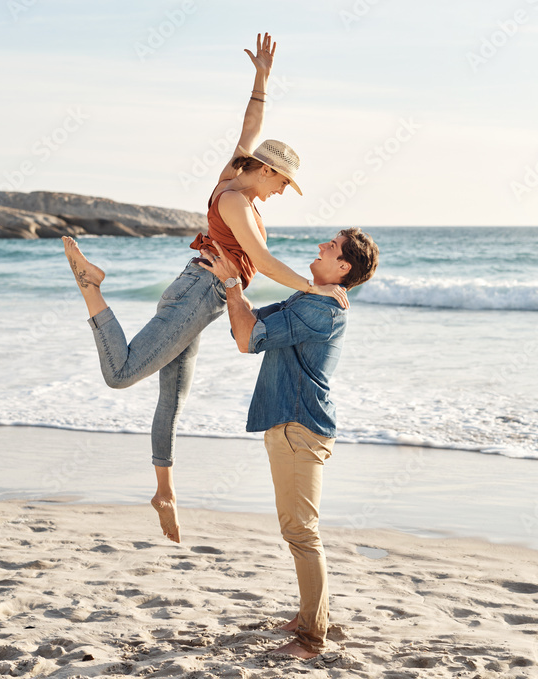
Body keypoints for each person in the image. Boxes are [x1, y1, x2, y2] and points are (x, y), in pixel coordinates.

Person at [61, 33, 348, 545]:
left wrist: (261, 78)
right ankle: (92, 286)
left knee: (173, 399)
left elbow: (250, 127)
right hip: (198, 295)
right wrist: (313, 288)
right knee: (121, 374)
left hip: (200, 295)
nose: (284, 191)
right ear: (266, 171)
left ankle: (164, 492)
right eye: (284, 182)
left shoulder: (239, 182)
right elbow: (258, 260)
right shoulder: (237, 200)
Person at [197, 228, 380, 659]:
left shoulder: (321, 309)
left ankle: (311, 639)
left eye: (331, 246)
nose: (321, 246)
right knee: (297, 530)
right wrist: (231, 278)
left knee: (301, 533)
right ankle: (308, 618)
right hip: (289, 424)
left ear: (343, 268)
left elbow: (247, 338)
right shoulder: (309, 298)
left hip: (300, 428)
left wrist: (231, 285)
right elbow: (250, 323)